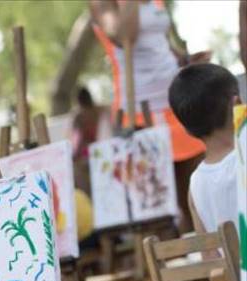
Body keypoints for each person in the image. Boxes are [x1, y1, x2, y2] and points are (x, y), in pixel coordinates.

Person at [90, 0, 212, 231]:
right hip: (139, 114)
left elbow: (162, 46)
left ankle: (205, 257)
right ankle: (173, 261)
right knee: (159, 206)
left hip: (177, 105)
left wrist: (185, 61)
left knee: (196, 195)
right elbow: (125, 35)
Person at [168, 64, 242, 234]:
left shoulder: (195, 186)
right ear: (237, 103)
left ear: (187, 130)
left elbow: (208, 256)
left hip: (229, 262)